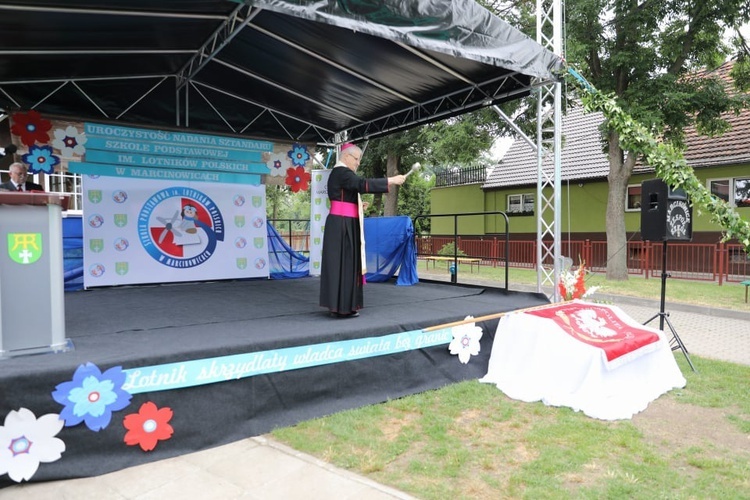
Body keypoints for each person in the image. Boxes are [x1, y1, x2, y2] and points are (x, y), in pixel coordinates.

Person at [319, 143, 406, 318]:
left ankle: (342, 306)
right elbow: (360, 184)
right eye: (356, 159)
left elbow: (344, 197)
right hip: (342, 225)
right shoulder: (342, 172)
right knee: (344, 265)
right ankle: (342, 307)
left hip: (343, 222)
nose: (358, 163)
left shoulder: (339, 173)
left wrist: (358, 206)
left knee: (344, 265)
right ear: (346, 157)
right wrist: (391, 180)